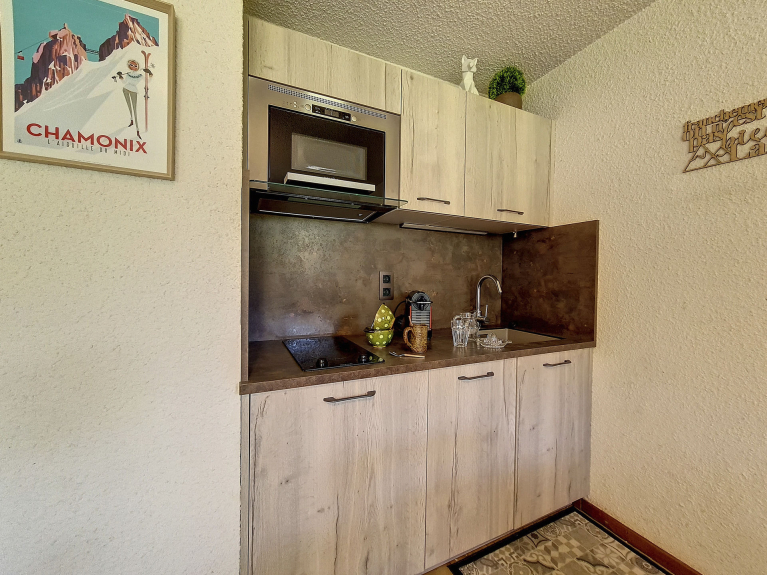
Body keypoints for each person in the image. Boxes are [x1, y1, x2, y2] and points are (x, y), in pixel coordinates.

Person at [114, 59, 152, 140]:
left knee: (135, 110)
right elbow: (124, 82)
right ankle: (131, 120)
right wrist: (120, 76)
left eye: (135, 66)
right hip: (125, 89)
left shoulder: (140, 75)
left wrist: (150, 73)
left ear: (138, 67)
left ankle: (137, 130)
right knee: (129, 106)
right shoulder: (128, 74)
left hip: (133, 91)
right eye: (131, 65)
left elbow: (147, 82)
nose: (133, 67)